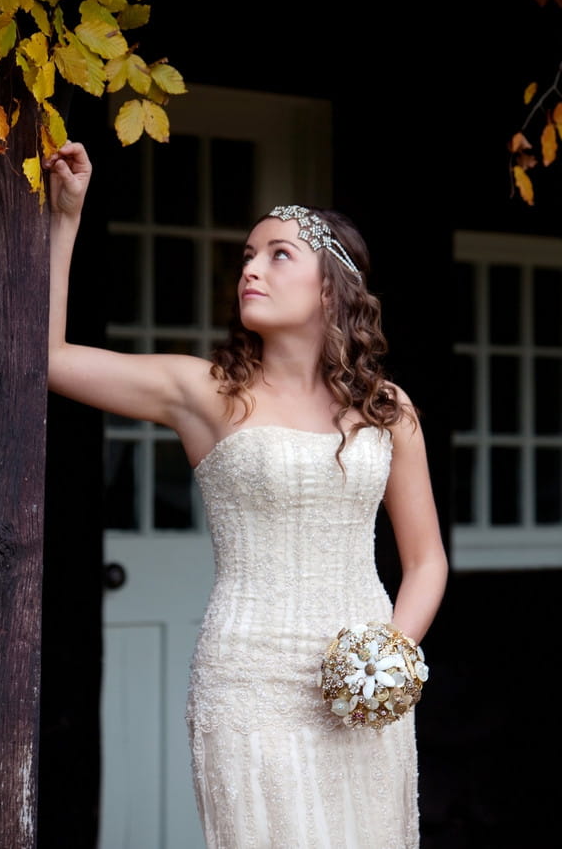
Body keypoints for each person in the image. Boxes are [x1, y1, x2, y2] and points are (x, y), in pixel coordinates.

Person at [45, 141, 449, 848]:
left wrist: (386, 661)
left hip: (362, 695)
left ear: (331, 288)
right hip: (248, 686)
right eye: (246, 257)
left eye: (277, 255)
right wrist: (65, 219)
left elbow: (426, 563)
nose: (251, 269)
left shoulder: (388, 411)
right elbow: (49, 359)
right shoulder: (206, 393)